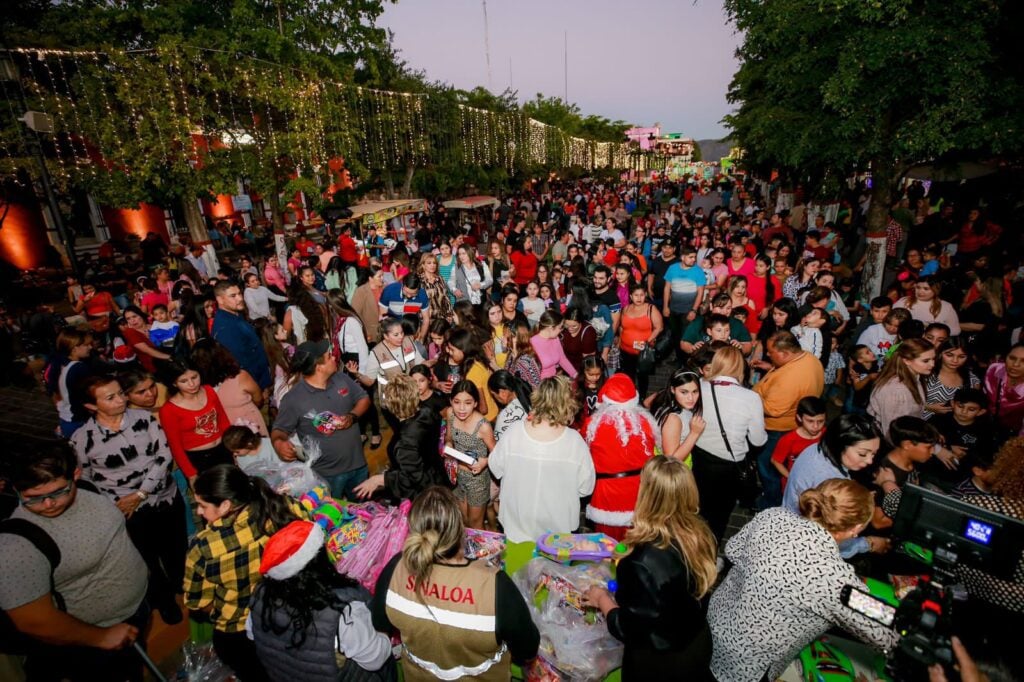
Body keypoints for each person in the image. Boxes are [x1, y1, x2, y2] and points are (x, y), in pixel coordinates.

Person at [708, 479, 900, 682]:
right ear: (857, 529)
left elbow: (733, 549)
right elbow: (886, 633)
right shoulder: (835, 579)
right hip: (747, 662)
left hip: (716, 620)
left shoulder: (774, 516)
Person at [0, 445, 149, 680]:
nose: (48, 504)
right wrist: (102, 637)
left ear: (76, 475)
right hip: (94, 640)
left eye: (58, 492)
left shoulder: (88, 488)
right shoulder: (16, 544)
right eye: (32, 497)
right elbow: (33, 621)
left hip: (135, 611)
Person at [371, 486, 540, 680]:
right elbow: (527, 649)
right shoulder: (494, 586)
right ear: (461, 530)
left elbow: (379, 623)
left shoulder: (395, 569)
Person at [582, 457, 717, 679]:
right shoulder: (699, 533)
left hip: (662, 663)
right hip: (695, 642)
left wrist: (601, 599)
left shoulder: (640, 562)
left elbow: (628, 629)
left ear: (647, 495)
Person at [71, 375, 185, 625]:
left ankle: (184, 587)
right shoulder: (83, 439)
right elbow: (86, 480)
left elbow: (163, 456)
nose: (121, 399)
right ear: (92, 406)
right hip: (129, 512)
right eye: (111, 397)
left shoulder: (144, 419)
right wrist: (116, 503)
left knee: (176, 548)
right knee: (146, 558)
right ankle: (164, 601)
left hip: (165, 498)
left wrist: (141, 493)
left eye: (121, 393)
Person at [184, 465, 301, 682]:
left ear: (226, 504)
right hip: (284, 611)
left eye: (202, 505)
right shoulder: (282, 507)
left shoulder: (203, 548)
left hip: (238, 630)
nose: (198, 511)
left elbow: (197, 603)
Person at [249, 520, 396, 682]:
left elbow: (252, 634)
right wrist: (382, 632)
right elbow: (376, 659)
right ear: (319, 561)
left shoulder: (259, 595)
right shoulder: (342, 610)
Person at [489, 376, 596, 542]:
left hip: (516, 531)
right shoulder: (575, 442)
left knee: (516, 568)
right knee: (553, 570)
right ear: (567, 402)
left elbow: (495, 466)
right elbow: (585, 488)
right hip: (557, 538)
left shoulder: (514, 432)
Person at [271, 340, 371, 500]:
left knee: (364, 510)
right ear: (319, 367)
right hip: (327, 476)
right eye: (329, 356)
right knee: (333, 516)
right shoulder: (294, 399)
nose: (334, 358)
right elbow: (279, 430)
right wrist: (278, 443)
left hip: (358, 465)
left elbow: (363, 398)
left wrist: (352, 416)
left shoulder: (340, 379)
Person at [693, 346, 768, 542]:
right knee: (719, 515)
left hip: (698, 457)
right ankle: (709, 554)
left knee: (697, 505)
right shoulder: (751, 398)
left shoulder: (699, 385)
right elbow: (757, 440)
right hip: (728, 466)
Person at [752, 330, 826, 507]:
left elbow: (773, 409)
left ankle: (770, 501)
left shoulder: (790, 379)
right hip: (789, 424)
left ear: (785, 353)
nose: (768, 354)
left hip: (777, 429)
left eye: (771, 352)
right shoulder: (808, 358)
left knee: (767, 465)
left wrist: (751, 399)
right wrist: (770, 368)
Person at [584, 373, 660, 540]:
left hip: (606, 496)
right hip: (638, 494)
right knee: (634, 545)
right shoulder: (645, 423)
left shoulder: (592, 425)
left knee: (606, 546)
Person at [352, 373, 448, 501]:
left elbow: (414, 478)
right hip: (438, 478)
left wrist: (380, 479)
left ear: (390, 405)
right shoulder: (428, 413)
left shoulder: (405, 442)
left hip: (424, 497)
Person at [159, 357, 234, 482]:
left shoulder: (209, 391)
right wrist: (191, 474)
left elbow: (223, 421)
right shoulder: (169, 410)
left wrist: (232, 446)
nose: (192, 384)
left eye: (194, 377)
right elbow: (175, 446)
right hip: (198, 460)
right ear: (174, 383)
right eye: (183, 381)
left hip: (223, 449)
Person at [192, 338, 268, 435]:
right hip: (249, 426)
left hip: (225, 432)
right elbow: (258, 398)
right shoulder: (240, 376)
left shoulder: (197, 388)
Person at [868, 337, 935, 439]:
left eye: (933, 359)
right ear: (907, 361)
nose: (932, 364)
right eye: (926, 361)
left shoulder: (916, 376)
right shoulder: (895, 391)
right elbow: (891, 432)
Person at [212, 281, 273, 391]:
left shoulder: (236, 315)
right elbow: (241, 365)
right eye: (233, 296)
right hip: (256, 386)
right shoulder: (225, 328)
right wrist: (259, 389)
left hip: (263, 379)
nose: (240, 298)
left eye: (239, 294)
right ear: (220, 300)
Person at [769, 396, 827, 492]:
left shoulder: (826, 434)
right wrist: (791, 477)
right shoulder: (788, 439)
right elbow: (775, 461)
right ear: (799, 418)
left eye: (820, 421)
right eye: (810, 421)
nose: (816, 426)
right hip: (795, 486)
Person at [648, 369, 706, 464]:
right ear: (672, 390)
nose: (691, 398)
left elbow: (647, 403)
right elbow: (670, 460)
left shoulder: (669, 403)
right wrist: (694, 433)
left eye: (695, 392)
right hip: (675, 472)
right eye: (684, 392)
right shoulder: (673, 419)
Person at [618, 284, 664, 399]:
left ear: (645, 295)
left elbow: (659, 327)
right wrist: (619, 341)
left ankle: (642, 398)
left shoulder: (650, 309)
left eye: (642, 295)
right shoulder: (626, 309)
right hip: (626, 350)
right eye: (636, 295)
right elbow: (622, 327)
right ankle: (630, 396)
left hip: (643, 352)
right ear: (631, 296)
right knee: (629, 375)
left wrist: (648, 341)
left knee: (642, 377)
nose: (639, 298)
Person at [983, 342, 1024, 437]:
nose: (1016, 364)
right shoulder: (994, 369)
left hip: (1013, 436)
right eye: (1012, 358)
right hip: (985, 425)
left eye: (1023, 361)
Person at [379, 273, 431, 342]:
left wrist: (421, 338)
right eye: (406, 292)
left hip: (410, 331)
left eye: (413, 294)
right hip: (392, 329)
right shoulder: (389, 291)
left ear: (418, 290)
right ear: (402, 284)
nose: (409, 296)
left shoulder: (422, 295)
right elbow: (383, 316)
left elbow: (426, 319)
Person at [530, 309, 578, 380]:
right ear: (551, 327)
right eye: (560, 327)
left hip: (554, 381)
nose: (561, 330)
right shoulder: (532, 343)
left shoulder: (556, 339)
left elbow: (562, 359)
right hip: (541, 385)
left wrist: (575, 375)